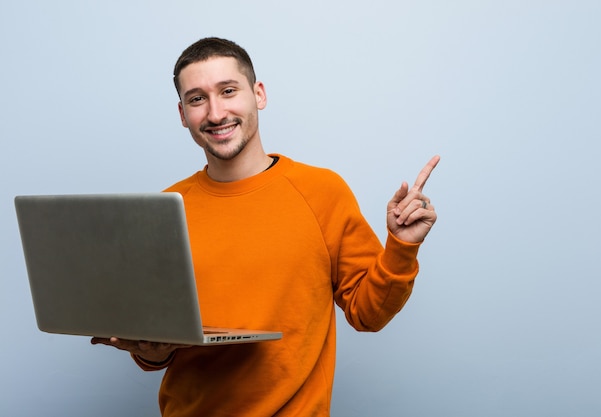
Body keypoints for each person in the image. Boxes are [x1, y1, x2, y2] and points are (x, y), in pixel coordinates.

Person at [92, 37, 440, 416]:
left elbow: (368, 314)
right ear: (182, 113)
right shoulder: (166, 209)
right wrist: (152, 353)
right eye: (197, 99)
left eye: (228, 91)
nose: (215, 112)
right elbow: (156, 348)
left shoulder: (322, 192)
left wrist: (401, 248)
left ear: (258, 94)